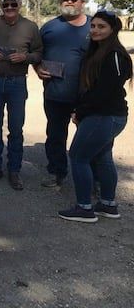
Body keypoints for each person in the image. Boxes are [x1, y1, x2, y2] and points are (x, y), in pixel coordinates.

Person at [58, 11, 132, 222]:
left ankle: (84, 208)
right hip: (101, 116)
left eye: (102, 27)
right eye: (94, 26)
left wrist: (81, 112)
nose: (96, 30)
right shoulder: (97, 52)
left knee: (78, 156)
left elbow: (106, 92)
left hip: (105, 116)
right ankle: (108, 205)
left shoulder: (115, 54)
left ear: (113, 30)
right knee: (102, 157)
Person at [0, 0, 42, 190]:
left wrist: (26, 57)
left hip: (17, 82)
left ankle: (14, 171)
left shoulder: (30, 27)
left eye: (13, 4)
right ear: (1, 6)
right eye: (6, 5)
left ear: (20, 5)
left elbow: (39, 52)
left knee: (16, 129)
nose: (9, 8)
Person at [36, 0, 90, 188]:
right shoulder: (49, 27)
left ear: (82, 1)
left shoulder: (94, 27)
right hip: (55, 94)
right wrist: (37, 68)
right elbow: (36, 53)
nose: (69, 1)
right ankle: (56, 173)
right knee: (56, 135)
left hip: (86, 96)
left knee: (89, 138)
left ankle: (95, 179)